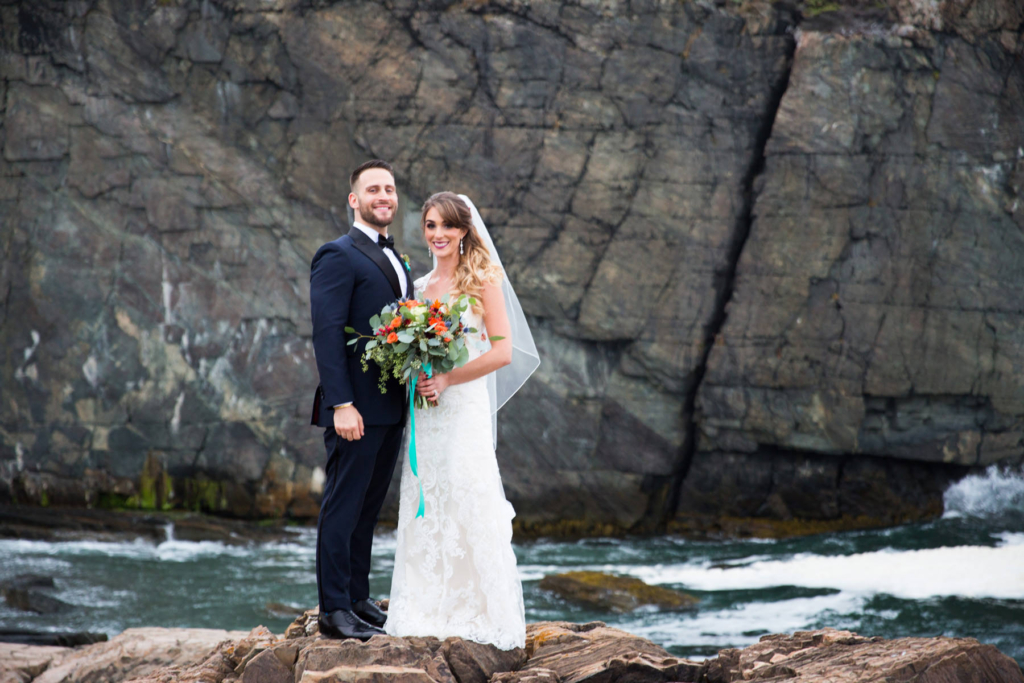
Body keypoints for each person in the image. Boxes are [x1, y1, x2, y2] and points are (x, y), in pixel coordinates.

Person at [384, 192, 540, 650]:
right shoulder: (417, 287)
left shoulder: (483, 280)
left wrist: (450, 377)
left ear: (464, 231)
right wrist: (418, 374)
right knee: (426, 497)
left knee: (468, 493)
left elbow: (502, 352)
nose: (438, 235)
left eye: (447, 227)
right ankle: (427, 606)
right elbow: (411, 351)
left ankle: (484, 610)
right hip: (427, 413)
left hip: (463, 405)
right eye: (431, 226)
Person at [308, 159, 413, 641]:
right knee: (342, 506)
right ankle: (334, 610)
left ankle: (357, 597)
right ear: (355, 200)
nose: (384, 196)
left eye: (389, 189)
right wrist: (340, 404)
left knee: (368, 509)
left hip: (392, 407)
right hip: (355, 409)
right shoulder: (337, 254)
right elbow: (327, 335)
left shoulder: (397, 257)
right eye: (373, 189)